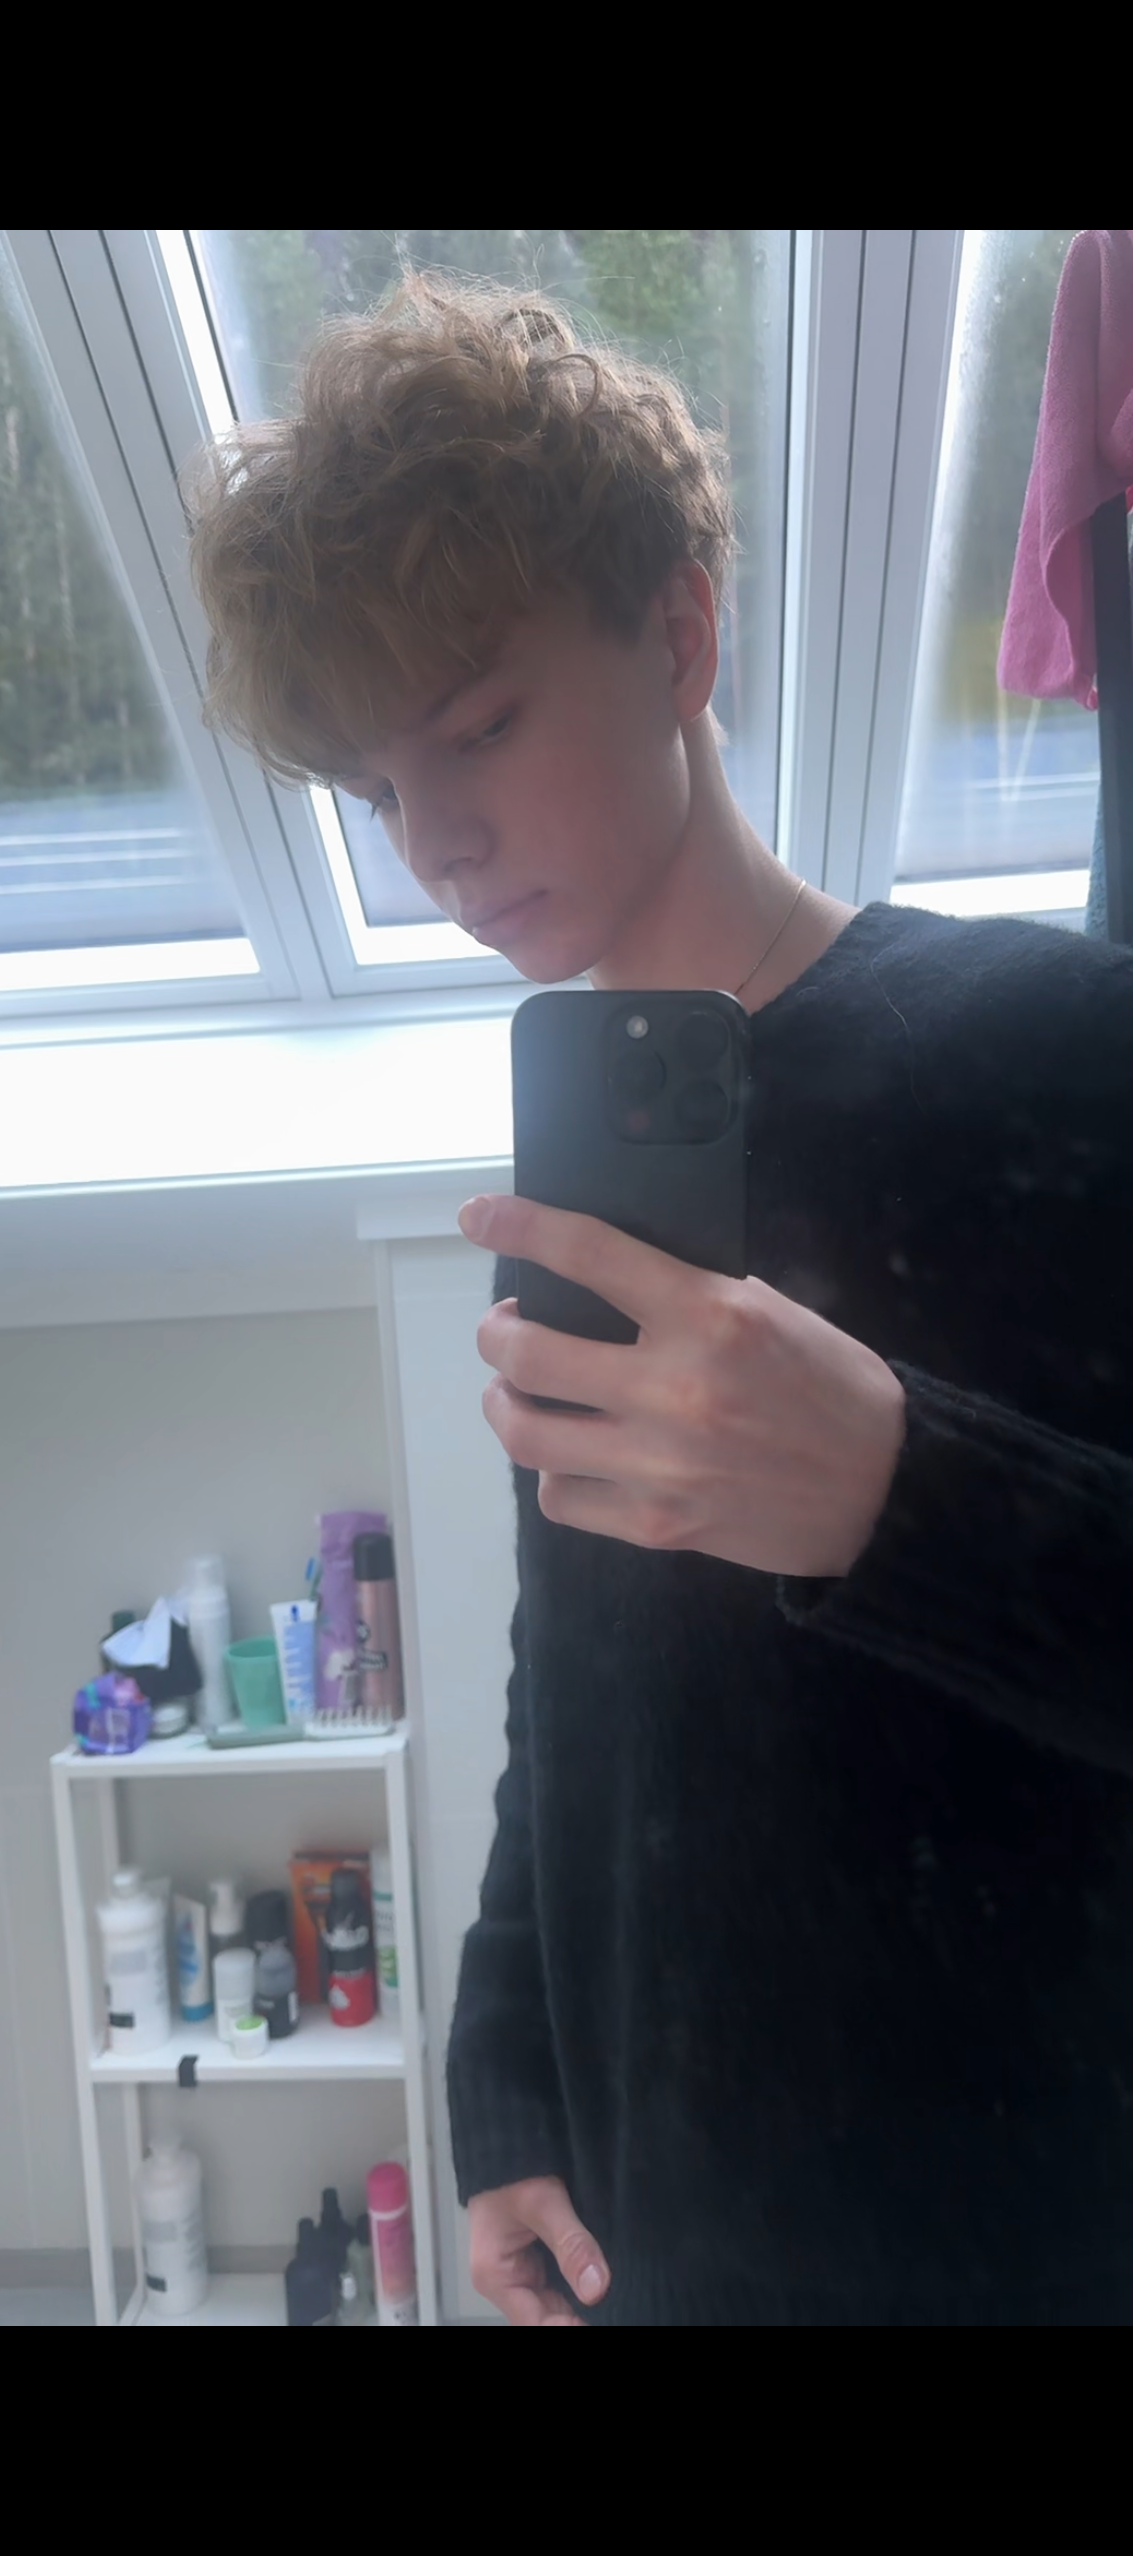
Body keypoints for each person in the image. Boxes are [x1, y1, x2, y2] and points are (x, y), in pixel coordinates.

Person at [188, 275, 1133, 2327]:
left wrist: (895, 1493)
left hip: (1005, 2227)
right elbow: (576, 1692)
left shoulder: (1067, 1053)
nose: (436, 845)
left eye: (478, 729)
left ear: (682, 638)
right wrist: (503, 2079)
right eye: (376, 792)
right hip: (651, 2223)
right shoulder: (575, 1192)